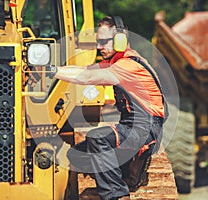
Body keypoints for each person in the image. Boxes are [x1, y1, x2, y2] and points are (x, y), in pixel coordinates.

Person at [55, 16, 165, 200]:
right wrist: (50, 69)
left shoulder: (128, 65)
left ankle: (117, 195)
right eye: (98, 41)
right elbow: (86, 71)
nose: (99, 47)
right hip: (132, 127)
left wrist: (53, 71)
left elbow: (87, 79)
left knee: (97, 138)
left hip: (144, 128)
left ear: (120, 40)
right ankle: (127, 171)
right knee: (76, 155)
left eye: (104, 42)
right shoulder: (116, 62)